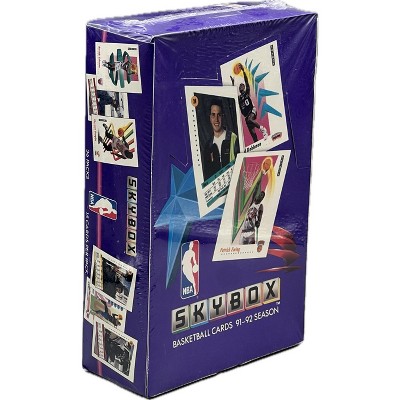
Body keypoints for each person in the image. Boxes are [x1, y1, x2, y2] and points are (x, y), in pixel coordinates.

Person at [202, 99, 240, 180]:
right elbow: (206, 177)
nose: (216, 119)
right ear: (210, 118)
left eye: (219, 115)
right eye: (213, 115)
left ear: (223, 116)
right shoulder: (207, 146)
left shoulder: (233, 138)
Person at [231, 63, 268, 143]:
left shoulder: (247, 92)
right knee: (252, 133)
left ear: (244, 87)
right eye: (240, 86)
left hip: (252, 110)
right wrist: (233, 83)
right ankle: (257, 143)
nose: (241, 86)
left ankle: (263, 129)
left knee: (249, 119)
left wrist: (243, 71)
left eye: (242, 85)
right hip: (246, 116)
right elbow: (233, 94)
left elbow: (246, 81)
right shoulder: (239, 98)